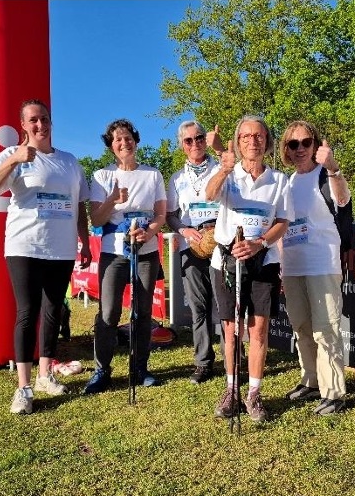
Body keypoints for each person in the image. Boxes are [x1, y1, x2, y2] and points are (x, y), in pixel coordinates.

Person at [0, 99, 91, 415]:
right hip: (25, 245)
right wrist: (14, 159)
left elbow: (79, 205)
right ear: (23, 126)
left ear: (51, 122)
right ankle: (24, 388)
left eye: (44, 119)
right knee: (28, 312)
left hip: (62, 248)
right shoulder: (13, 155)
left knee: (54, 310)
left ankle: (45, 375)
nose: (40, 125)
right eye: (33, 120)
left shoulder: (69, 161)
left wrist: (84, 241)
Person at [205, 115, 294, 422]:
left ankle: (253, 394)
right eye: (245, 136)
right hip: (226, 263)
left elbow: (283, 221)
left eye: (258, 136)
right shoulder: (228, 172)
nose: (252, 141)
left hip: (263, 262)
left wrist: (260, 243)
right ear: (238, 142)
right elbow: (209, 195)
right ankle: (231, 390)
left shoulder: (279, 180)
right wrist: (224, 169)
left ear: (266, 142)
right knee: (231, 331)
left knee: (258, 330)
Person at [82, 119, 167, 394]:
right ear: (111, 146)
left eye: (128, 137)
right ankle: (102, 371)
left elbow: (161, 214)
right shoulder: (101, 176)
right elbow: (96, 218)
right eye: (117, 139)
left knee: (142, 312)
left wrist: (149, 232)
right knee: (108, 312)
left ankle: (140, 368)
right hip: (114, 252)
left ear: (136, 141)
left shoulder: (152, 174)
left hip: (146, 251)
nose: (124, 142)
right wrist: (112, 200)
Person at [278, 121, 351, 415]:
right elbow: (282, 226)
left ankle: (334, 392)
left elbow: (343, 200)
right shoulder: (287, 182)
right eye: (292, 144)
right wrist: (280, 264)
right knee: (301, 327)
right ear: (285, 149)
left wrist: (333, 168)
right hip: (292, 266)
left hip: (322, 263)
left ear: (316, 145)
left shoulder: (326, 175)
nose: (300, 149)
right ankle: (310, 380)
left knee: (326, 329)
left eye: (306, 142)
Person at [166, 121, 225, 384]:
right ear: (182, 145)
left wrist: (221, 149)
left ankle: (233, 358)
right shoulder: (177, 179)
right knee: (199, 306)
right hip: (192, 244)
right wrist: (183, 229)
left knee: (225, 304)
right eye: (188, 140)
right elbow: (170, 215)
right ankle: (203, 362)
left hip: (221, 241)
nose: (195, 144)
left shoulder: (221, 167)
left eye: (199, 137)